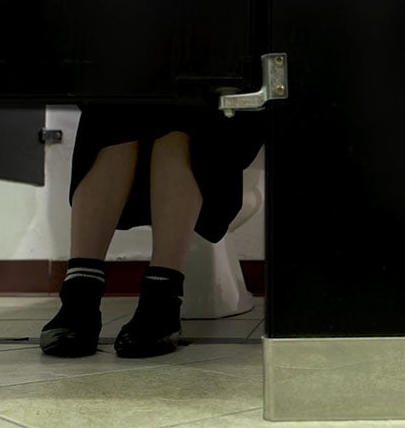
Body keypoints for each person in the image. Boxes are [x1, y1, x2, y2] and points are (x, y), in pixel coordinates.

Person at [40, 103, 265, 358]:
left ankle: (162, 295)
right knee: (115, 101)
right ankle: (81, 291)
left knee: (184, 107)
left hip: (222, 102)